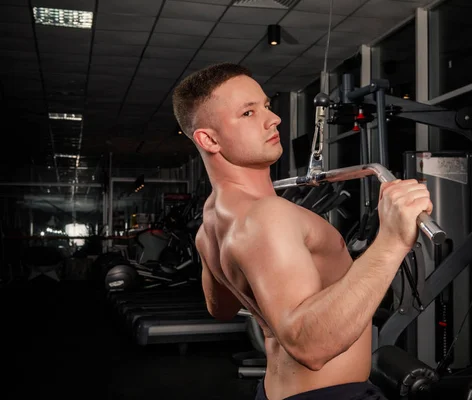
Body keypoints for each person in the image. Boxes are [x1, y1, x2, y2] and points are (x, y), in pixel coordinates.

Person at [172, 63, 433, 400]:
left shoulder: (211, 222)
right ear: (208, 139)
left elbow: (220, 308)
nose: (273, 118)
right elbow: (309, 347)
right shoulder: (267, 216)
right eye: (248, 113)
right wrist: (392, 240)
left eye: (265, 106)